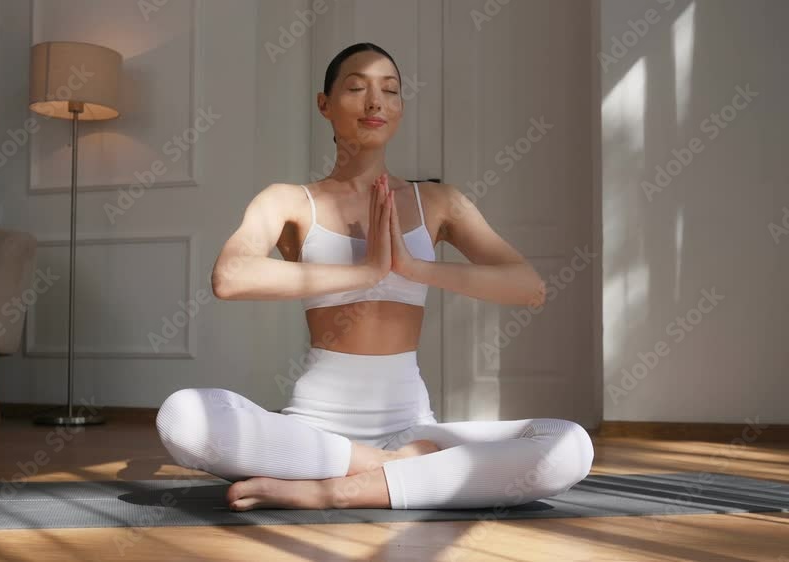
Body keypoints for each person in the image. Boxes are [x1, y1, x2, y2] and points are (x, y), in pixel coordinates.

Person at [155, 42, 594, 511]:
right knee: (182, 417)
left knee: (569, 445)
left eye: (390, 90)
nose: (374, 103)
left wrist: (415, 268)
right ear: (324, 104)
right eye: (355, 88)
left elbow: (528, 287)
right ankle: (390, 468)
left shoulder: (439, 201)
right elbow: (230, 277)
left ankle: (330, 490)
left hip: (412, 427)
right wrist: (363, 271)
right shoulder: (288, 200)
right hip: (315, 428)